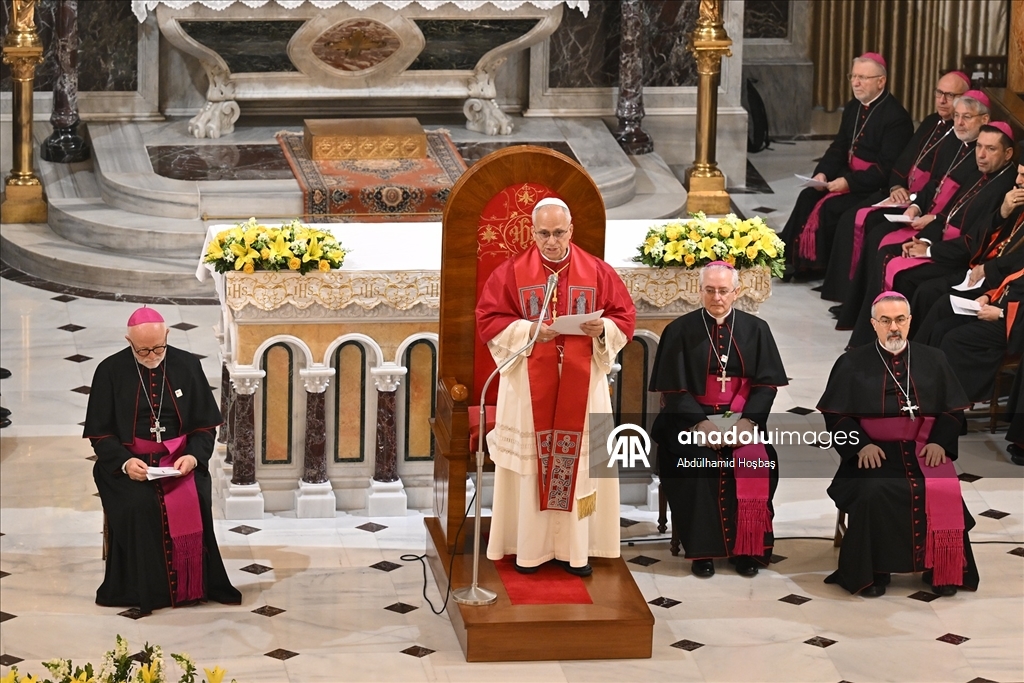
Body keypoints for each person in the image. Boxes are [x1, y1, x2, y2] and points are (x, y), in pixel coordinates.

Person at [476, 198, 636, 576]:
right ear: (532, 233)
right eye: (544, 234)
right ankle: (530, 549)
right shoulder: (511, 273)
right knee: (533, 466)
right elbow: (489, 319)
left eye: (559, 233)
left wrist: (603, 329)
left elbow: (624, 317)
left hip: (583, 382)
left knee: (582, 469)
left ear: (571, 231)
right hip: (529, 384)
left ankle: (577, 549)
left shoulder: (596, 271)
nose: (551, 241)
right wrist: (530, 331)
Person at [818, 292, 978, 597]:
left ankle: (942, 567)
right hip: (874, 451)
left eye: (900, 319)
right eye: (886, 320)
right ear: (873, 324)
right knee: (873, 491)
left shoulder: (934, 358)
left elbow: (953, 409)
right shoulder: (851, 362)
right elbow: (835, 416)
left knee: (943, 490)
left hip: (924, 448)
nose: (894, 327)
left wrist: (940, 442)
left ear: (910, 321)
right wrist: (860, 445)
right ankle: (874, 571)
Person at [84, 307, 240, 614]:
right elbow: (100, 434)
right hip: (129, 463)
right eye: (142, 350)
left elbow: (205, 426)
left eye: (158, 347)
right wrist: (125, 463)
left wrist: (193, 457)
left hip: (179, 460)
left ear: (167, 336)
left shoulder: (187, 365)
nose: (152, 355)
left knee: (194, 496)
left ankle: (195, 585)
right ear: (129, 341)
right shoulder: (109, 370)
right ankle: (146, 590)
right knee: (140, 504)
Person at [649, 262, 788, 577]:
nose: (717, 297)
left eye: (723, 290)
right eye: (709, 290)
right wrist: (702, 424)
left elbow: (766, 386)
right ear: (699, 291)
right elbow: (674, 390)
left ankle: (748, 549)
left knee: (758, 462)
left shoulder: (756, 329)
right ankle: (703, 551)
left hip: (741, 420)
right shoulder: (679, 330)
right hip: (689, 422)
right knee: (698, 466)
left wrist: (748, 422)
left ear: (736, 292)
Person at [840, 123, 1017, 347]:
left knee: (907, 279)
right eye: (979, 147)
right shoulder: (978, 174)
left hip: (960, 258)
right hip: (943, 246)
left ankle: (899, 343)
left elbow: (975, 241)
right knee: (888, 251)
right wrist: (923, 240)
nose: (981, 155)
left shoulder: (1004, 188)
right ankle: (869, 335)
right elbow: (945, 215)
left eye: (990, 149)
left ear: (1007, 153)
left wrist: (930, 250)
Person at [820, 78, 975, 303]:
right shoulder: (931, 122)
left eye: (950, 95)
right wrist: (897, 185)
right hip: (904, 195)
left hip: (922, 206)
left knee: (874, 232)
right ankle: (846, 295)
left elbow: (940, 183)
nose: (942, 100)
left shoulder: (959, 138)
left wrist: (918, 204)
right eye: (939, 93)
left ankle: (858, 302)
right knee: (851, 218)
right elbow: (904, 159)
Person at [779, 53, 914, 276]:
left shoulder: (896, 118)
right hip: (849, 174)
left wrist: (848, 183)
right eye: (853, 76)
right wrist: (822, 173)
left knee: (830, 209)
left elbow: (886, 169)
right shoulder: (854, 107)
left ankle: (812, 266)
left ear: (881, 81)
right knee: (808, 195)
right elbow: (839, 148)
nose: (856, 83)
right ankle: (789, 255)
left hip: (872, 186)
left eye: (863, 77)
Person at [910, 161, 1024, 329]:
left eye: (1023, 176)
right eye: (1019, 174)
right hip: (980, 271)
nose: (1018, 180)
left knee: (942, 308)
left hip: (1001, 284)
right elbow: (979, 235)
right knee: (927, 291)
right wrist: (1002, 213)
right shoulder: (1014, 202)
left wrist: (987, 269)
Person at [917, 269, 1023, 402]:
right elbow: (1010, 286)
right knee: (941, 327)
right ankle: (924, 382)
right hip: (996, 310)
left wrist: (1001, 313)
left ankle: (950, 398)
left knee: (954, 339)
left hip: (1013, 325)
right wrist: (988, 296)